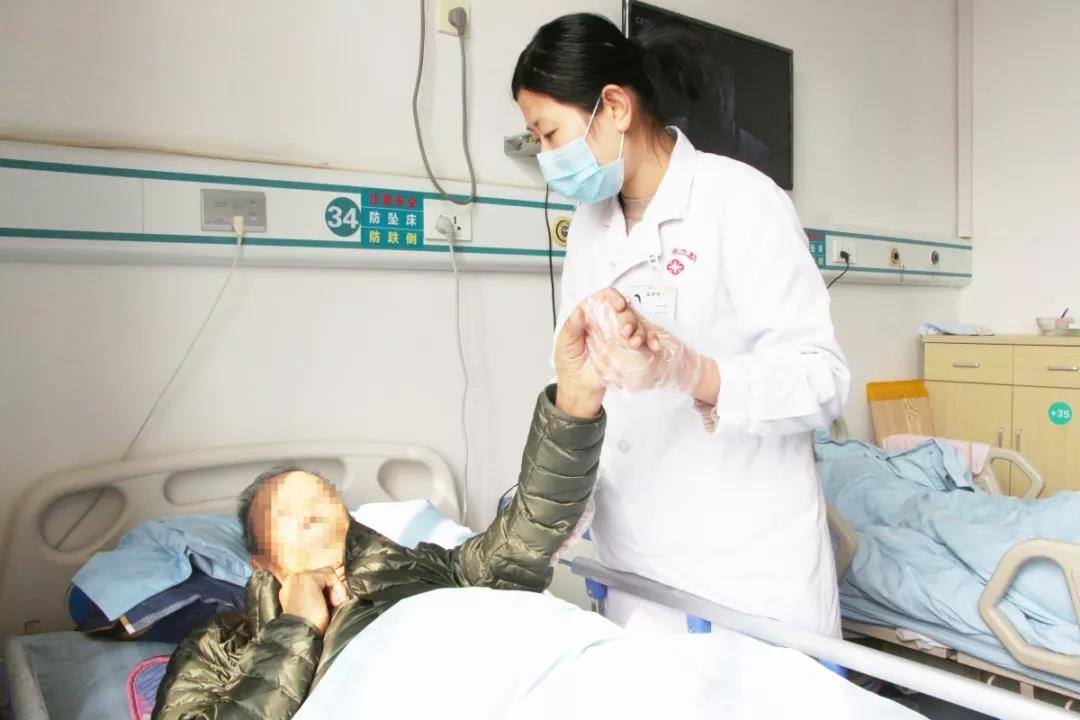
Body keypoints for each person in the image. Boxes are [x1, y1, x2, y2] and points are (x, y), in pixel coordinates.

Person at [151, 291, 645, 720]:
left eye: (321, 499)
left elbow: (523, 538)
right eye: (287, 515)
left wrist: (575, 398)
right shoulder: (222, 646)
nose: (312, 513)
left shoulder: (427, 570)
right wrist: (295, 628)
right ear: (263, 561)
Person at [512, 14, 851, 637]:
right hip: (635, 563)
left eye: (550, 133)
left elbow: (821, 381)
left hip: (742, 570)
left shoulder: (742, 201)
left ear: (615, 107)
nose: (547, 157)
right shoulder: (590, 225)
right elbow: (584, 378)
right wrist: (552, 503)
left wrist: (692, 372)